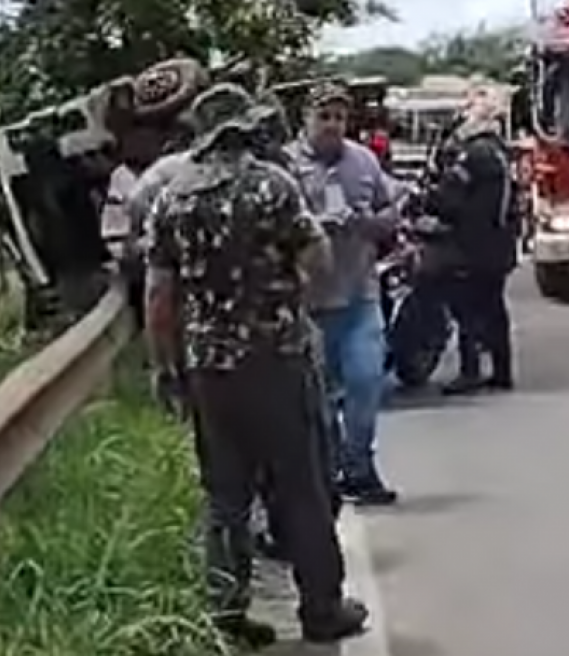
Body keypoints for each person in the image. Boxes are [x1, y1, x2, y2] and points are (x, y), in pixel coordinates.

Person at [143, 99, 368, 647]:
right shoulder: (272, 185)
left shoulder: (173, 197)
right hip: (278, 359)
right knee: (302, 487)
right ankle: (321, 607)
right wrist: (286, 287)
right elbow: (319, 258)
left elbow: (158, 296)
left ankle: (225, 616)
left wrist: (165, 368)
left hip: (209, 371)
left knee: (226, 499)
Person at [285, 81, 400, 506]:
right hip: (307, 304)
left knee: (366, 381)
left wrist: (364, 222)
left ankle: (360, 465)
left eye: (339, 117)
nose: (332, 125)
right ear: (306, 120)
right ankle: (328, 469)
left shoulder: (365, 161)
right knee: (318, 398)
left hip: (359, 297)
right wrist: (312, 226)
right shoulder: (285, 166)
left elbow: (391, 216)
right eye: (324, 117)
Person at [427, 105, 519, 395]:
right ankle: (502, 371)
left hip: (474, 243)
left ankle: (470, 371)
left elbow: (449, 198)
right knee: (494, 307)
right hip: (500, 241)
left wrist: (428, 200)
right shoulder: (501, 153)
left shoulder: (474, 155)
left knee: (466, 307)